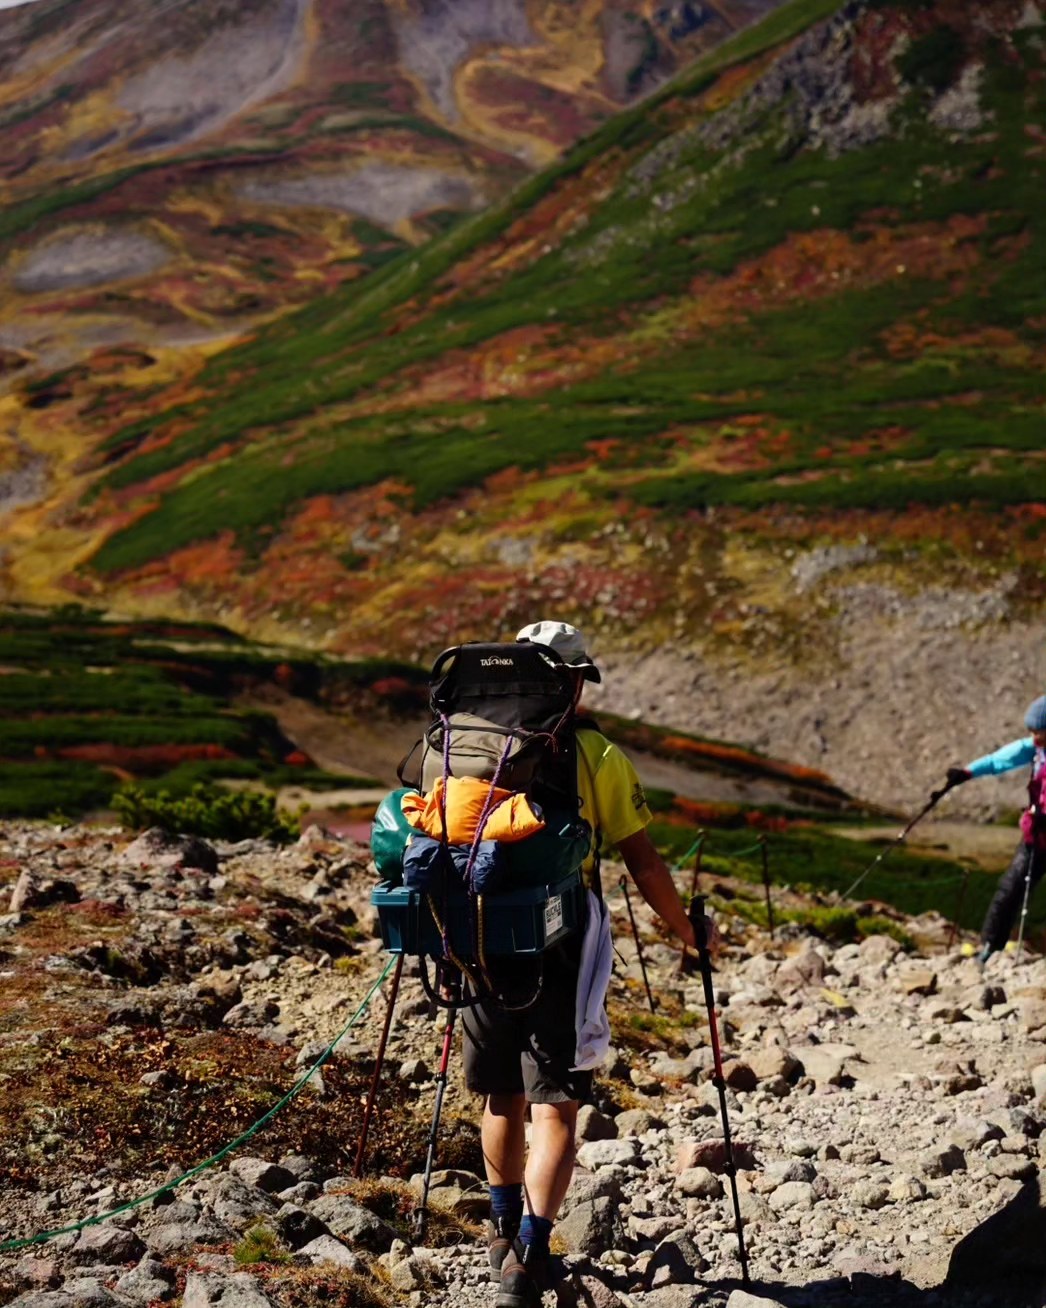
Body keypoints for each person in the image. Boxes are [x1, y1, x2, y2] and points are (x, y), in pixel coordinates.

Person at [462, 619, 714, 1308]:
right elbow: (643, 860)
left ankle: (498, 1229)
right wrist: (689, 933)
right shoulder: (596, 754)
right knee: (557, 1106)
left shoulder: (465, 740)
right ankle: (532, 1259)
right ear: (571, 681)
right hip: (562, 940)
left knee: (499, 1095)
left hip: (477, 935)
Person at [946, 694, 1046, 965]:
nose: (1034, 737)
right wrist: (966, 773)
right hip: (1037, 836)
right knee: (1009, 890)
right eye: (1032, 731)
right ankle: (991, 946)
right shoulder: (1035, 749)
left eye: (1040, 731)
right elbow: (998, 760)